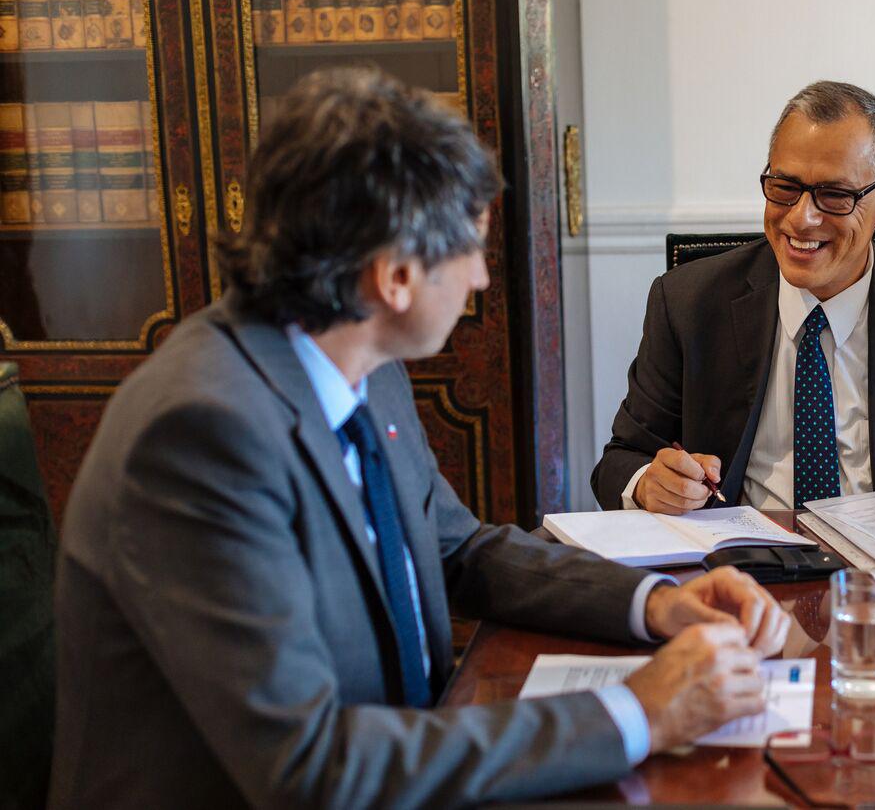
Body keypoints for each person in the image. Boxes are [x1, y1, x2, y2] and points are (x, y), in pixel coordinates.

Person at [48, 67, 791, 809]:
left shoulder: (359, 362)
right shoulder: (202, 435)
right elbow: (309, 769)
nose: (479, 280)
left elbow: (458, 550)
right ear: (396, 276)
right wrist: (640, 712)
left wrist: (657, 602)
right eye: (470, 250)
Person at [591, 80, 875, 514]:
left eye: (834, 195)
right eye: (784, 187)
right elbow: (621, 460)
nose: (801, 217)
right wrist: (649, 484)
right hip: (740, 550)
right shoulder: (688, 303)